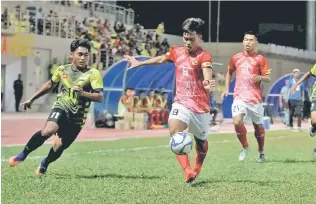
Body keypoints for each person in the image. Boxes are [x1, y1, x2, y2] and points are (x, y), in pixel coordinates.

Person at [124, 18, 216, 183]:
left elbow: (207, 71)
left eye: (192, 39)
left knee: (201, 143)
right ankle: (187, 171)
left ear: (199, 37)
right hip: (181, 103)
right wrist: (140, 63)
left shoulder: (204, 56)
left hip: (200, 108)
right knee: (174, 131)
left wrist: (208, 81)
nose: (187, 42)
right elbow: (160, 59)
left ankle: (197, 167)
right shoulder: (176, 52)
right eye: (185, 38)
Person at [8, 39, 104, 175]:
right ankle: (22, 155)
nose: (83, 58)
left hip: (77, 117)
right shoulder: (62, 70)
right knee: (48, 131)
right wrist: (31, 99)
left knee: (59, 147)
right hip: (61, 107)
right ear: (72, 55)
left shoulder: (93, 73)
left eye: (86, 55)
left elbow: (99, 97)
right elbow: (49, 84)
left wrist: (83, 93)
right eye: (80, 54)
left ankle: (45, 162)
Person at [221, 31, 271, 163]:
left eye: (251, 40)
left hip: (255, 99)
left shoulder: (260, 59)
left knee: (258, 126)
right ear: (243, 41)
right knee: (237, 122)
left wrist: (261, 77)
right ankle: (245, 147)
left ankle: (261, 152)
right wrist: (226, 88)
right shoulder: (235, 58)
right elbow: (229, 73)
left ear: (256, 42)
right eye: (246, 39)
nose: (248, 42)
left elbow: (268, 78)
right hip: (239, 97)